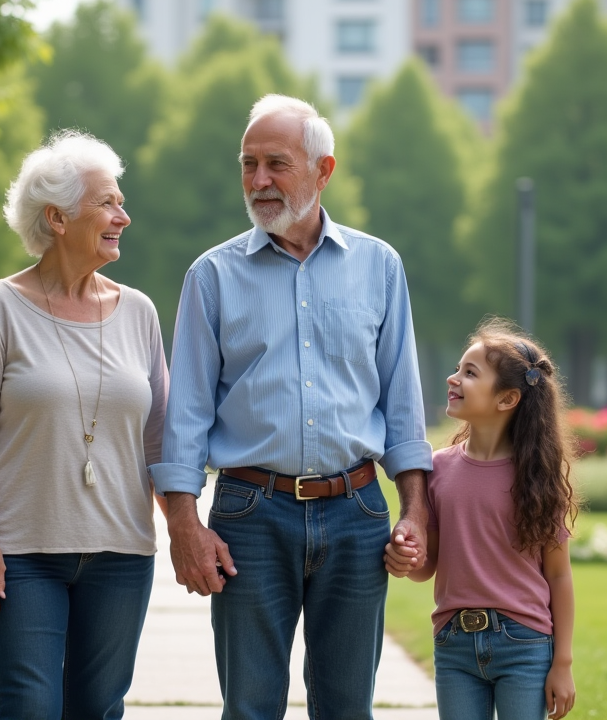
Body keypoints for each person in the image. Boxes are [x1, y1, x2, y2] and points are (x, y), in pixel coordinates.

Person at [152, 94, 432, 719]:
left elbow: (403, 406)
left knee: (347, 708)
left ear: (323, 169)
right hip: (249, 515)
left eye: (276, 164)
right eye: (248, 164)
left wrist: (416, 511)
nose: (259, 180)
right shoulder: (211, 275)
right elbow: (186, 416)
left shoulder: (380, 266)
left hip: (358, 513)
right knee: (250, 707)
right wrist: (183, 526)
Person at [0, 131, 168, 720]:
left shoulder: (139, 312)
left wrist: (185, 528)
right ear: (58, 217)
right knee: (31, 708)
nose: (123, 216)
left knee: (98, 709)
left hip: (122, 553)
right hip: (20, 555)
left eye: (121, 202)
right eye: (107, 203)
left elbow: (159, 440)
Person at [387, 320, 577, 720]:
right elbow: (426, 568)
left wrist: (562, 663)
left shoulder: (538, 479)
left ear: (507, 399)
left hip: (524, 645)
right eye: (457, 368)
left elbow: (559, 576)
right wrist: (406, 557)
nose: (453, 378)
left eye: (470, 373)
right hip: (453, 644)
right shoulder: (436, 469)